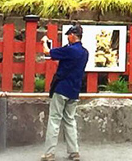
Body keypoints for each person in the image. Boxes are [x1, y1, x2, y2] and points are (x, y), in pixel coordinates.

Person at [41, 24, 89, 161]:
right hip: (74, 90)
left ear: (73, 35)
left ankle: (49, 153)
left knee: (54, 120)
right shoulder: (85, 52)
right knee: (70, 120)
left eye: (69, 35)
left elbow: (47, 52)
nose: (67, 37)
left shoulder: (69, 50)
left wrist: (44, 41)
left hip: (61, 88)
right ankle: (74, 152)